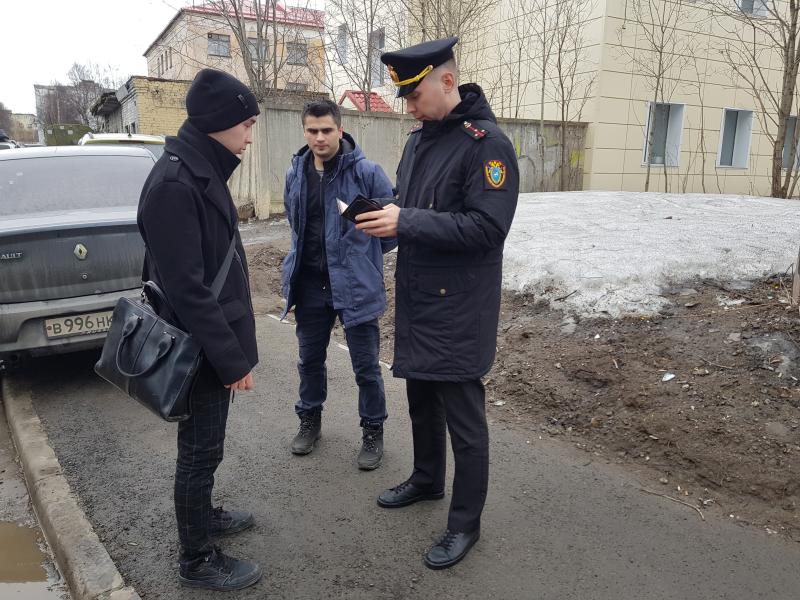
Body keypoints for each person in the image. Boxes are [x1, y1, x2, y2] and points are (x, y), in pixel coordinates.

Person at [356, 37, 519, 569]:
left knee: (464, 421)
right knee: (420, 400)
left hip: (460, 307)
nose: (408, 105)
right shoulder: (420, 140)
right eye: (404, 96)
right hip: (420, 298)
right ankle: (427, 480)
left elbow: (487, 227)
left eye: (414, 93)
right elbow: (413, 206)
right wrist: (382, 213)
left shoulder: (486, 144)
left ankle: (465, 524)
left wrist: (405, 220)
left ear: (447, 82)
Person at [137, 68, 262, 591]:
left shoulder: (198, 169)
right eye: (247, 124)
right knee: (200, 449)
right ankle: (196, 559)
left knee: (207, 444)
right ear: (219, 123)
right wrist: (232, 362)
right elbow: (187, 289)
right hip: (201, 348)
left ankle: (203, 515)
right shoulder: (174, 183)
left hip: (212, 340)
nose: (251, 135)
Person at [281, 99, 396, 470]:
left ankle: (373, 431)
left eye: (326, 130)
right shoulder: (295, 172)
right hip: (311, 285)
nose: (319, 138)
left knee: (366, 367)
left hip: (355, 286)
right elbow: (294, 222)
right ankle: (309, 422)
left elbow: (390, 230)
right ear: (304, 132)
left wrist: (363, 260)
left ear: (341, 129)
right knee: (309, 361)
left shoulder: (366, 172)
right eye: (312, 131)